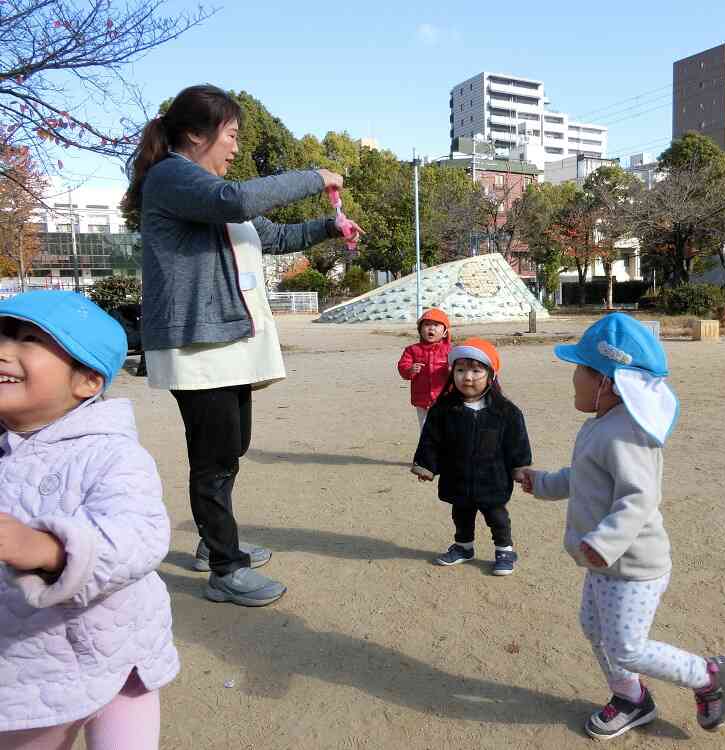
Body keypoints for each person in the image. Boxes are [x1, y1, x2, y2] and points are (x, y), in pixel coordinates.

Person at [123, 84, 358, 607]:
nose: (234, 147)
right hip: (196, 344)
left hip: (228, 340)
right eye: (230, 136)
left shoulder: (208, 189)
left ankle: (215, 542)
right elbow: (239, 200)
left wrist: (329, 226)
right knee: (213, 458)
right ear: (195, 135)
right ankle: (225, 569)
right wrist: (315, 177)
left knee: (231, 447)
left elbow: (270, 236)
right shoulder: (173, 178)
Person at [518, 313, 725, 740]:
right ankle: (631, 698)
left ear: (608, 381)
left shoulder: (627, 434)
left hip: (634, 566)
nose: (573, 379)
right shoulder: (599, 425)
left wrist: (605, 541)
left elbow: (639, 497)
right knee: (594, 628)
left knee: (627, 646)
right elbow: (584, 476)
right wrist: (543, 482)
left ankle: (708, 676)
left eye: (580, 370)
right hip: (604, 562)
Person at [0, 291, 178, 749]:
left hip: (118, 660)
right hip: (29, 671)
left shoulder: (110, 452)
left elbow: (140, 536)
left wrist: (49, 550)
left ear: (87, 381)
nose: (3, 349)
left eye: (28, 340)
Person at [411, 338, 531, 576]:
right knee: (461, 514)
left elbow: (517, 441)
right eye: (460, 370)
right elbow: (431, 440)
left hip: (493, 479)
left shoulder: (505, 411)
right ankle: (464, 547)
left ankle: (504, 549)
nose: (467, 377)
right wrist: (426, 465)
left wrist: (520, 467)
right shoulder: (443, 409)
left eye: (476, 370)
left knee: (497, 516)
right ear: (451, 373)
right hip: (458, 476)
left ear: (491, 375)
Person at [397, 308, 452, 433]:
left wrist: (452, 370)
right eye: (427, 325)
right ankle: (428, 451)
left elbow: (461, 368)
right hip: (422, 400)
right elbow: (402, 366)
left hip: (446, 399)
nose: (431, 328)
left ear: (444, 332)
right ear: (420, 330)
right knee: (426, 430)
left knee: (446, 429)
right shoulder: (412, 350)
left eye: (436, 325)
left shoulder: (450, 350)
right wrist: (410, 369)